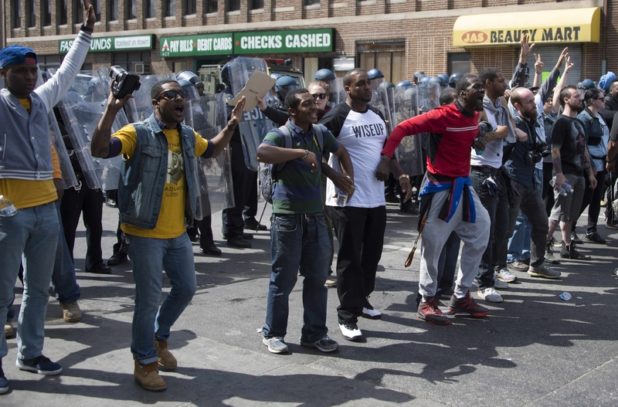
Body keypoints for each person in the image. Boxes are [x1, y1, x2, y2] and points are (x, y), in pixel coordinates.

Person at [91, 80, 245, 391]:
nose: (180, 99)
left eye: (182, 95)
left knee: (186, 288)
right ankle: (144, 361)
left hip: (178, 232)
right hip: (144, 232)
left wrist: (231, 125)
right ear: (156, 102)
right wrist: (111, 110)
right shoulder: (137, 133)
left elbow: (212, 149)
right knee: (148, 300)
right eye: (171, 95)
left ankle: (158, 338)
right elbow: (100, 149)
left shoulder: (187, 135)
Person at [0, 0, 94, 394]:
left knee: (38, 290)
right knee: (2, 292)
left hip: (45, 210)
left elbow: (68, 71)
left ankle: (30, 353)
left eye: (32, 71)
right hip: (10, 213)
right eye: (20, 72)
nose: (28, 76)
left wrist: (85, 32)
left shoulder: (41, 100)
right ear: (4, 73)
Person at [378, 74, 491, 325]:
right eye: (477, 88)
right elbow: (401, 129)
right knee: (433, 247)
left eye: (483, 88)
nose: (482, 92)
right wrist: (386, 159)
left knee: (481, 232)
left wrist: (479, 137)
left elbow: (468, 136)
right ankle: (427, 300)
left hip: (463, 186)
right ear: (462, 94)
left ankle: (461, 296)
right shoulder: (441, 116)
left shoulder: (475, 114)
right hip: (440, 188)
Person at [258, 88, 354, 354]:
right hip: (287, 218)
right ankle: (273, 333)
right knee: (283, 279)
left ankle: (314, 334)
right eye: (307, 105)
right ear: (292, 111)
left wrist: (347, 178)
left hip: (316, 216)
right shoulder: (282, 134)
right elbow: (262, 152)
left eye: (315, 103)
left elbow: (342, 151)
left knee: (317, 278)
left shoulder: (320, 132)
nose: (314, 108)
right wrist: (300, 153)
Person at [320, 69, 390, 341]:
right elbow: (314, 145)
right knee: (350, 258)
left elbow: (385, 149)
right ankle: (347, 316)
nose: (367, 87)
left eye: (368, 83)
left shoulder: (377, 115)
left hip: (376, 198)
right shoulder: (337, 116)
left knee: (372, 255)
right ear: (347, 88)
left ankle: (361, 299)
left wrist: (396, 170)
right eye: (360, 84)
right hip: (346, 200)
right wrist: (333, 175)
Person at [470, 68, 516, 304]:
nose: (505, 84)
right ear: (487, 83)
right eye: (500, 80)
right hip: (480, 171)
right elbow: (476, 142)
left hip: (497, 171)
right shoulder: (479, 108)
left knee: (500, 227)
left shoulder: (499, 107)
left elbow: (509, 132)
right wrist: (496, 134)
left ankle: (491, 273)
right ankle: (483, 282)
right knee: (484, 231)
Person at [504, 87, 559, 279]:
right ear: (517, 106)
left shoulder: (531, 121)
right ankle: (498, 267)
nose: (534, 104)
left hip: (530, 180)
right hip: (514, 180)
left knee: (541, 223)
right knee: (507, 228)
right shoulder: (513, 123)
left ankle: (537, 265)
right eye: (529, 102)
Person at [546, 86, 597, 260]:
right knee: (558, 212)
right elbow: (555, 150)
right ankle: (543, 246)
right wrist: (559, 174)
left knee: (570, 215)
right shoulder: (561, 122)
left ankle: (567, 247)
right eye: (576, 96)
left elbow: (584, 149)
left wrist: (590, 173)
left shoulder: (579, 122)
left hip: (579, 174)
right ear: (566, 99)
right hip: (565, 174)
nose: (581, 99)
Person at [573, 87, 610, 244]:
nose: (604, 100)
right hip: (591, 164)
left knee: (595, 199)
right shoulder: (584, 118)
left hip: (601, 162)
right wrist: (590, 167)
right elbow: (583, 145)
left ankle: (591, 230)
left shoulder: (599, 116)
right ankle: (570, 227)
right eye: (601, 99)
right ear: (592, 101)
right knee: (585, 198)